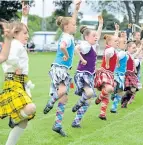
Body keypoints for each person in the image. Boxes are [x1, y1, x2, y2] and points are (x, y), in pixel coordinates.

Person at [43, 0, 81, 137]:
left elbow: (72, 21)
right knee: (63, 91)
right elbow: (63, 46)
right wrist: (65, 55)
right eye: (73, 25)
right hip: (60, 68)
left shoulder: (68, 34)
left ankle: (57, 125)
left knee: (64, 98)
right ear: (66, 26)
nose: (75, 26)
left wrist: (76, 9)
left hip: (61, 69)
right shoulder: (67, 37)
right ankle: (51, 101)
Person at [0, 3, 36, 145]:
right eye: (25, 33)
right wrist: (17, 66)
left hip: (20, 82)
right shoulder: (14, 44)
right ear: (15, 34)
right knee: (30, 109)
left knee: (24, 122)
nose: (27, 35)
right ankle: (14, 118)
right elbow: (9, 57)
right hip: (14, 81)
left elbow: (21, 30)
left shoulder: (18, 43)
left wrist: (25, 16)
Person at [71, 15, 103, 128]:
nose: (96, 37)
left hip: (89, 75)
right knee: (89, 94)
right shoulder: (86, 45)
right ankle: (78, 104)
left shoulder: (93, 46)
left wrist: (100, 24)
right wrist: (82, 59)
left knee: (88, 101)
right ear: (86, 37)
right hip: (82, 74)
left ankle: (76, 122)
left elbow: (97, 34)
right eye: (93, 36)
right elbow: (76, 49)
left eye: (96, 36)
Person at [94, 34, 118, 120]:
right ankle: (99, 98)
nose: (117, 42)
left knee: (107, 95)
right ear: (110, 42)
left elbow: (113, 39)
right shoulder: (110, 49)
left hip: (109, 74)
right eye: (116, 41)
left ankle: (102, 114)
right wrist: (107, 63)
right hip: (105, 72)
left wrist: (116, 31)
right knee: (109, 89)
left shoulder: (112, 48)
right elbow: (107, 54)